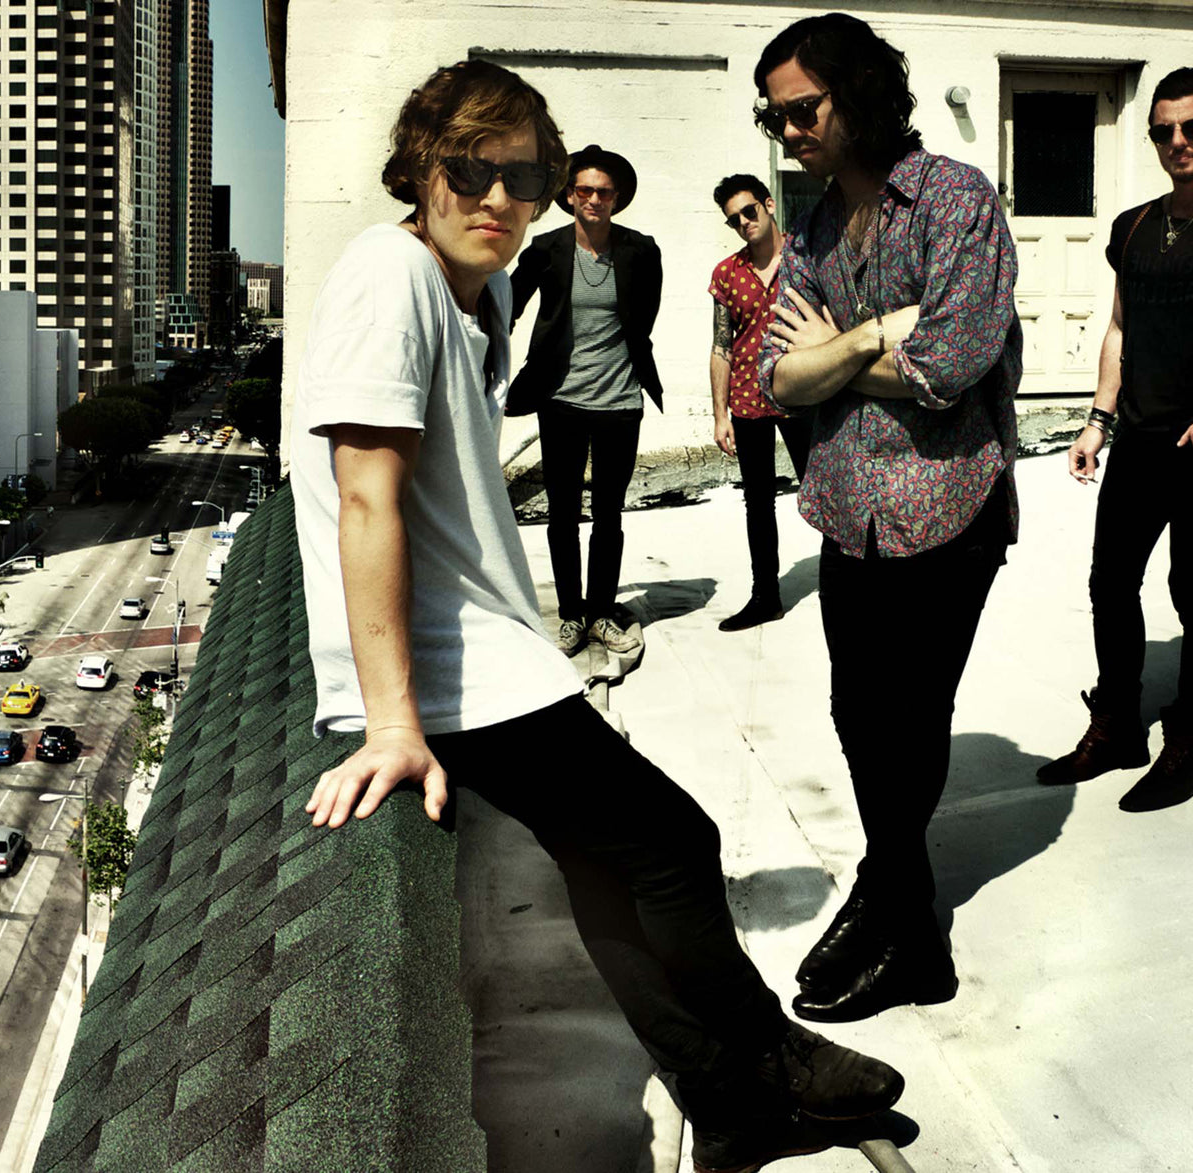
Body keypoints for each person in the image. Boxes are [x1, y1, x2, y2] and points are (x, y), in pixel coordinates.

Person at [291, 60, 904, 1172]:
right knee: (675, 843)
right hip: (446, 671)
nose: (497, 198)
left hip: (483, 652)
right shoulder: (390, 275)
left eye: (519, 176)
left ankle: (727, 1110)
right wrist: (391, 723)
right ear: (420, 172)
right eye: (469, 171)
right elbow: (364, 497)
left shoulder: (463, 301)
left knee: (605, 867)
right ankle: (769, 1060)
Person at [753, 14, 1021, 1024]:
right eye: (775, 117)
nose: (787, 132)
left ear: (859, 92)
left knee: (908, 723)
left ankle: (910, 933)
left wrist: (838, 359)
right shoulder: (815, 225)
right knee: (858, 716)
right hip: (846, 509)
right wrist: (871, 335)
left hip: (949, 512)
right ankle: (893, 893)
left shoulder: (954, 199)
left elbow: (951, 367)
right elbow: (780, 376)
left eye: (804, 110)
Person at [1038, 68, 1193, 812]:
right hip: (1141, 438)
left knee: (1190, 588)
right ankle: (1117, 725)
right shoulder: (1135, 227)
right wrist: (1097, 420)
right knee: (1110, 582)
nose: (1177, 141)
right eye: (1162, 131)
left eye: (1192, 127)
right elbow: (1121, 329)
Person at [507, 143, 662, 657]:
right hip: (562, 400)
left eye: (604, 192)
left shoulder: (641, 252)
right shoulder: (546, 251)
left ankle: (601, 613)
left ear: (617, 198)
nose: (594, 199)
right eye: (585, 190)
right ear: (570, 196)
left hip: (620, 400)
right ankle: (572, 614)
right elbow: (503, 309)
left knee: (610, 515)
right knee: (563, 513)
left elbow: (643, 322)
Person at [708, 174, 814, 631]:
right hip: (748, 402)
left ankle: (845, 583)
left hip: (804, 394)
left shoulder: (808, 258)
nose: (744, 222)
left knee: (825, 491)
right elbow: (720, 346)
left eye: (749, 211)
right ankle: (765, 595)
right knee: (758, 502)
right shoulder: (727, 274)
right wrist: (719, 415)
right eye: (734, 219)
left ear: (769, 205)